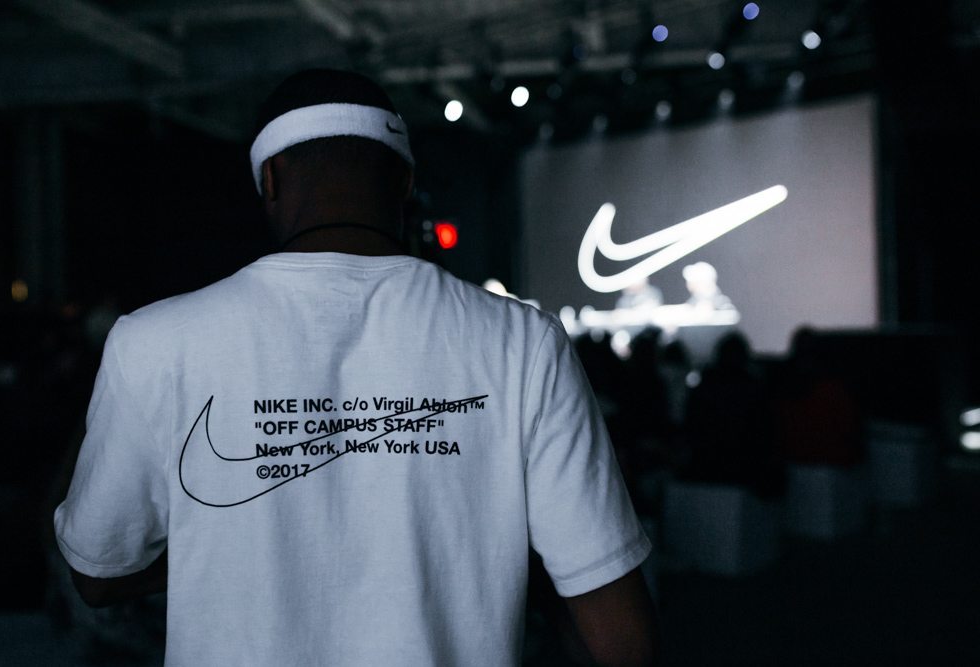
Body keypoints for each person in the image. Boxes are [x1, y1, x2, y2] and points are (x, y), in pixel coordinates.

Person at [53, 69, 657, 666]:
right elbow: (624, 640)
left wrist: (221, 550)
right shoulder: (523, 344)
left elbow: (97, 574)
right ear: (406, 181)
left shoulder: (153, 343)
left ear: (270, 179)